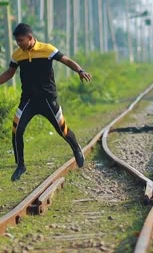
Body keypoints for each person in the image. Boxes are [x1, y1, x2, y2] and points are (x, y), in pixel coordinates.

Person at [0, 23, 92, 181]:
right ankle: (20, 165)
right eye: (17, 41)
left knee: (62, 130)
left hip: (48, 100)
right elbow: (10, 72)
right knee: (16, 130)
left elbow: (66, 60)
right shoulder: (17, 54)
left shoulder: (47, 49)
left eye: (21, 40)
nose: (18, 43)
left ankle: (76, 149)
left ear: (30, 38)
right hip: (28, 100)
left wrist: (80, 70)